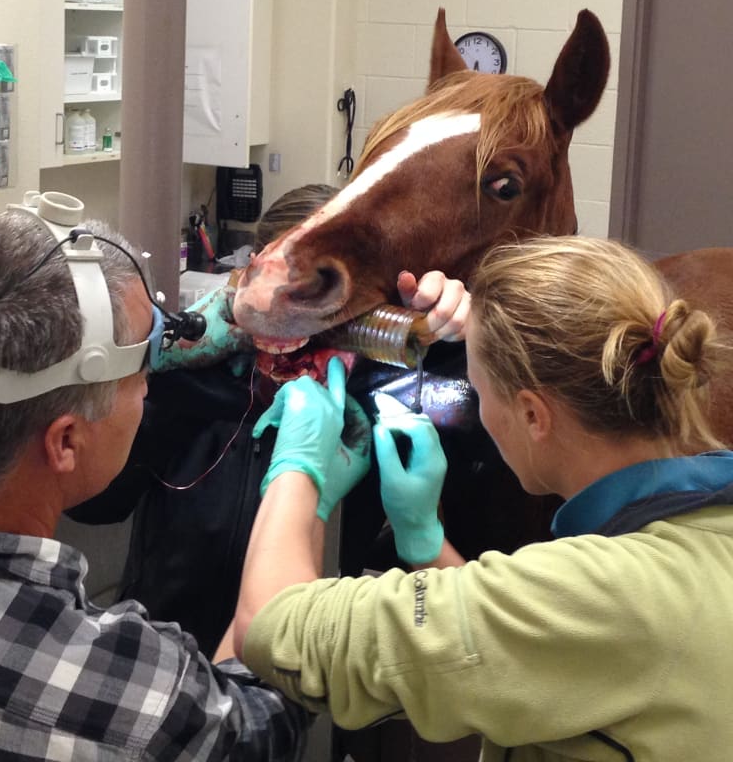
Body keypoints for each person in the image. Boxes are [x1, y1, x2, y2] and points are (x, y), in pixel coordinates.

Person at [233, 235, 733, 761]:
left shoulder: (603, 593)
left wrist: (298, 466)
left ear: (534, 414)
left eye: (479, 389)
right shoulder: (697, 535)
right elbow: (522, 649)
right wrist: (426, 539)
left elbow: (271, 629)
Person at [0, 199, 312, 760]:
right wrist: (299, 477)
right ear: (65, 441)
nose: (151, 384)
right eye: (145, 365)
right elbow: (258, 725)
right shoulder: (138, 703)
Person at [71, 183, 471, 657]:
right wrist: (153, 382)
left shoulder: (377, 401)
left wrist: (449, 328)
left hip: (302, 663)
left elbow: (453, 602)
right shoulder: (195, 380)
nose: (295, 321)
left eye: (320, 300)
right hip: (158, 648)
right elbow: (94, 505)